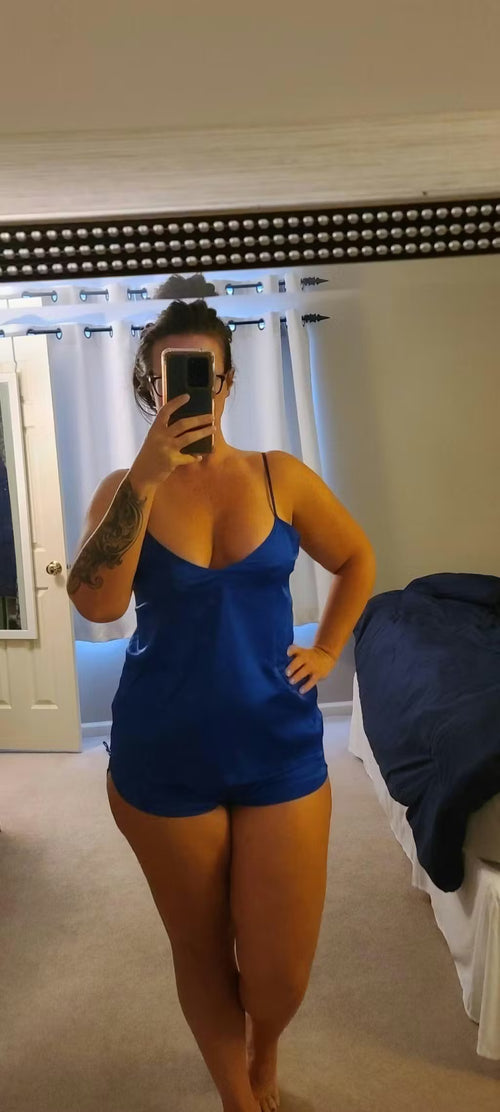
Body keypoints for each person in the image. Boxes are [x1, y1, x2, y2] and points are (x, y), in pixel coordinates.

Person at [67, 296, 376, 1112]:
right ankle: (239, 1094)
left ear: (228, 381)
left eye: (201, 374)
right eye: (170, 377)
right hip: (162, 755)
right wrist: (147, 475)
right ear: (149, 386)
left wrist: (327, 649)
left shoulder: (280, 476)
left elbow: (356, 558)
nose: (186, 391)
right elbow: (96, 605)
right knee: (201, 950)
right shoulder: (123, 490)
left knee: (279, 970)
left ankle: (264, 1043)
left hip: (279, 745)